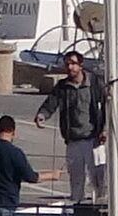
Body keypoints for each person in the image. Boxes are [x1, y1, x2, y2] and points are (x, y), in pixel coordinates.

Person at [41, 51, 109, 200]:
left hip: (93, 139)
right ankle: (77, 203)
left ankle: (101, 203)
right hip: (73, 140)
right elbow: (51, 102)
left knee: (98, 176)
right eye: (67, 64)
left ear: (81, 65)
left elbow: (106, 107)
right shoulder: (63, 86)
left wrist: (104, 130)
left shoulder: (94, 84)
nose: (70, 67)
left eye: (73, 63)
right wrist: (42, 115)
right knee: (76, 177)